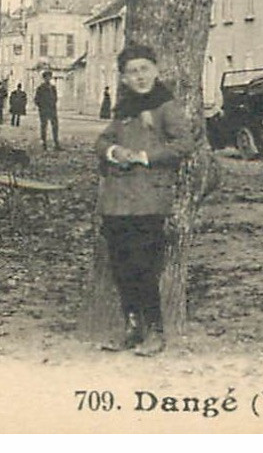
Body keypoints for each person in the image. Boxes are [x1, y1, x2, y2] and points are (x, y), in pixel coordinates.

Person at [95, 44, 192, 356]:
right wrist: (114, 152)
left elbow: (184, 144)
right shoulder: (123, 110)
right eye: (132, 72)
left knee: (144, 267)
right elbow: (103, 140)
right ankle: (132, 327)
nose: (139, 77)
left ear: (156, 71)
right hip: (116, 202)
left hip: (149, 200)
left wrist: (144, 156)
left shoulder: (166, 106)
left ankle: (155, 331)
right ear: (123, 78)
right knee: (121, 267)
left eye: (144, 69)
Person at [34, 70, 60, 150]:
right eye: (47, 77)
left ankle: (56, 144)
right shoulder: (40, 88)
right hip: (44, 110)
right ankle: (44, 144)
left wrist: (53, 103)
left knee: (55, 126)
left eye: (49, 77)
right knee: (44, 127)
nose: (48, 79)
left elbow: (55, 97)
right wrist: (42, 107)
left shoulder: (53, 88)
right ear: (44, 78)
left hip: (52, 109)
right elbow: (36, 99)